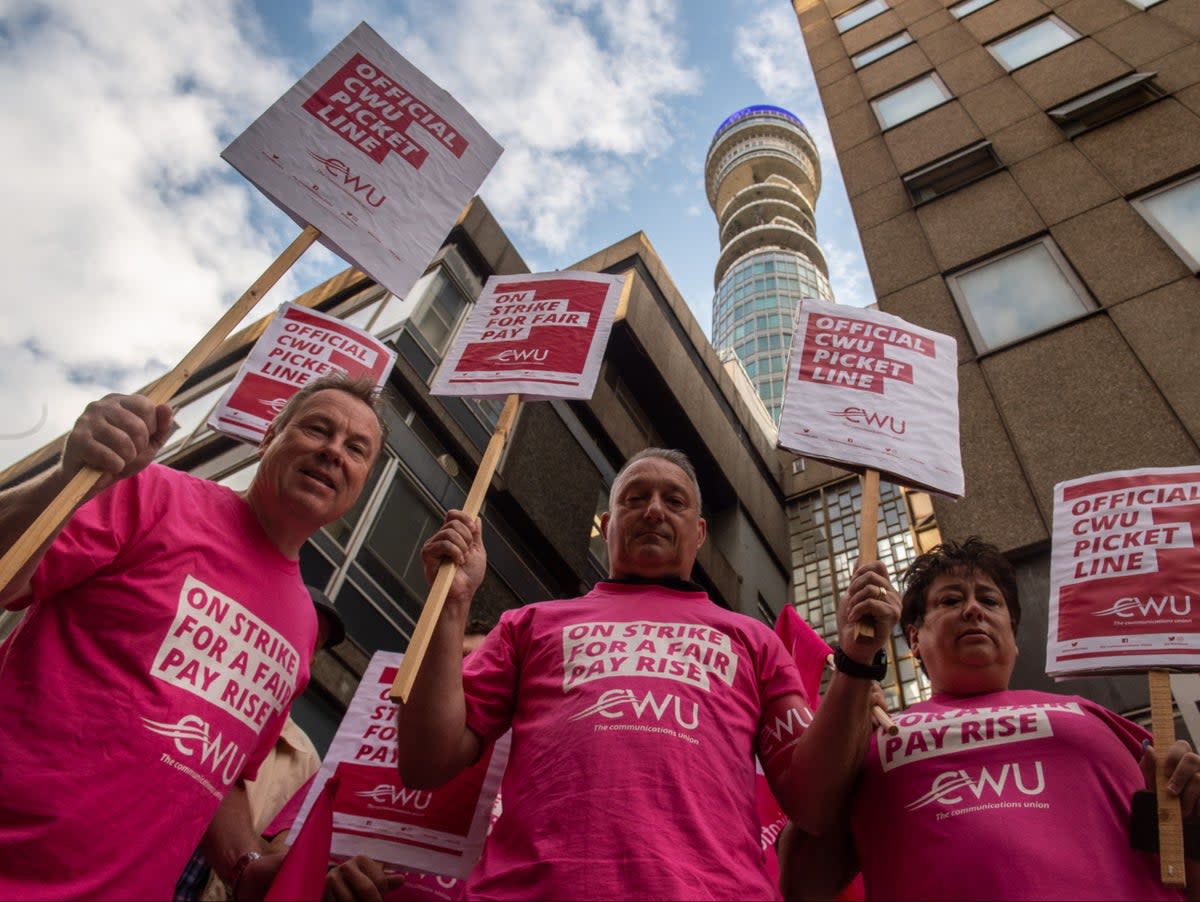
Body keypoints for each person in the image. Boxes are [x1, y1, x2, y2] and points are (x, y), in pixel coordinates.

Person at [395, 448, 900, 900]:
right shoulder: (530, 624)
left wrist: (856, 663)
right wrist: (451, 605)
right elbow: (426, 761)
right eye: (635, 498)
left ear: (700, 532)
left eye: (674, 501)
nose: (654, 509)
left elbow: (813, 806)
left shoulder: (755, 641)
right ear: (606, 524)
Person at [0, 373, 384, 901]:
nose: (333, 452)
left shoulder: (301, 630)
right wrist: (65, 479)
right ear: (271, 435)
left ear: (362, 482)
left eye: (356, 449)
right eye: (318, 429)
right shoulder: (152, 494)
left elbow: (211, 774)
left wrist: (249, 865)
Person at [778, 536, 1200, 901]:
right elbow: (803, 884)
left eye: (989, 599)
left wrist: (1192, 808)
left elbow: (1184, 866)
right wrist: (854, 666)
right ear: (913, 641)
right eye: (950, 600)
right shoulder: (869, 736)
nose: (973, 610)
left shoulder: (1098, 718)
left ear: (1014, 637)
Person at [175, 586, 348, 901]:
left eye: (316, 643)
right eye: (300, 628)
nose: (303, 648)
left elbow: (271, 859)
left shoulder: (305, 760)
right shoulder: (189, 687)